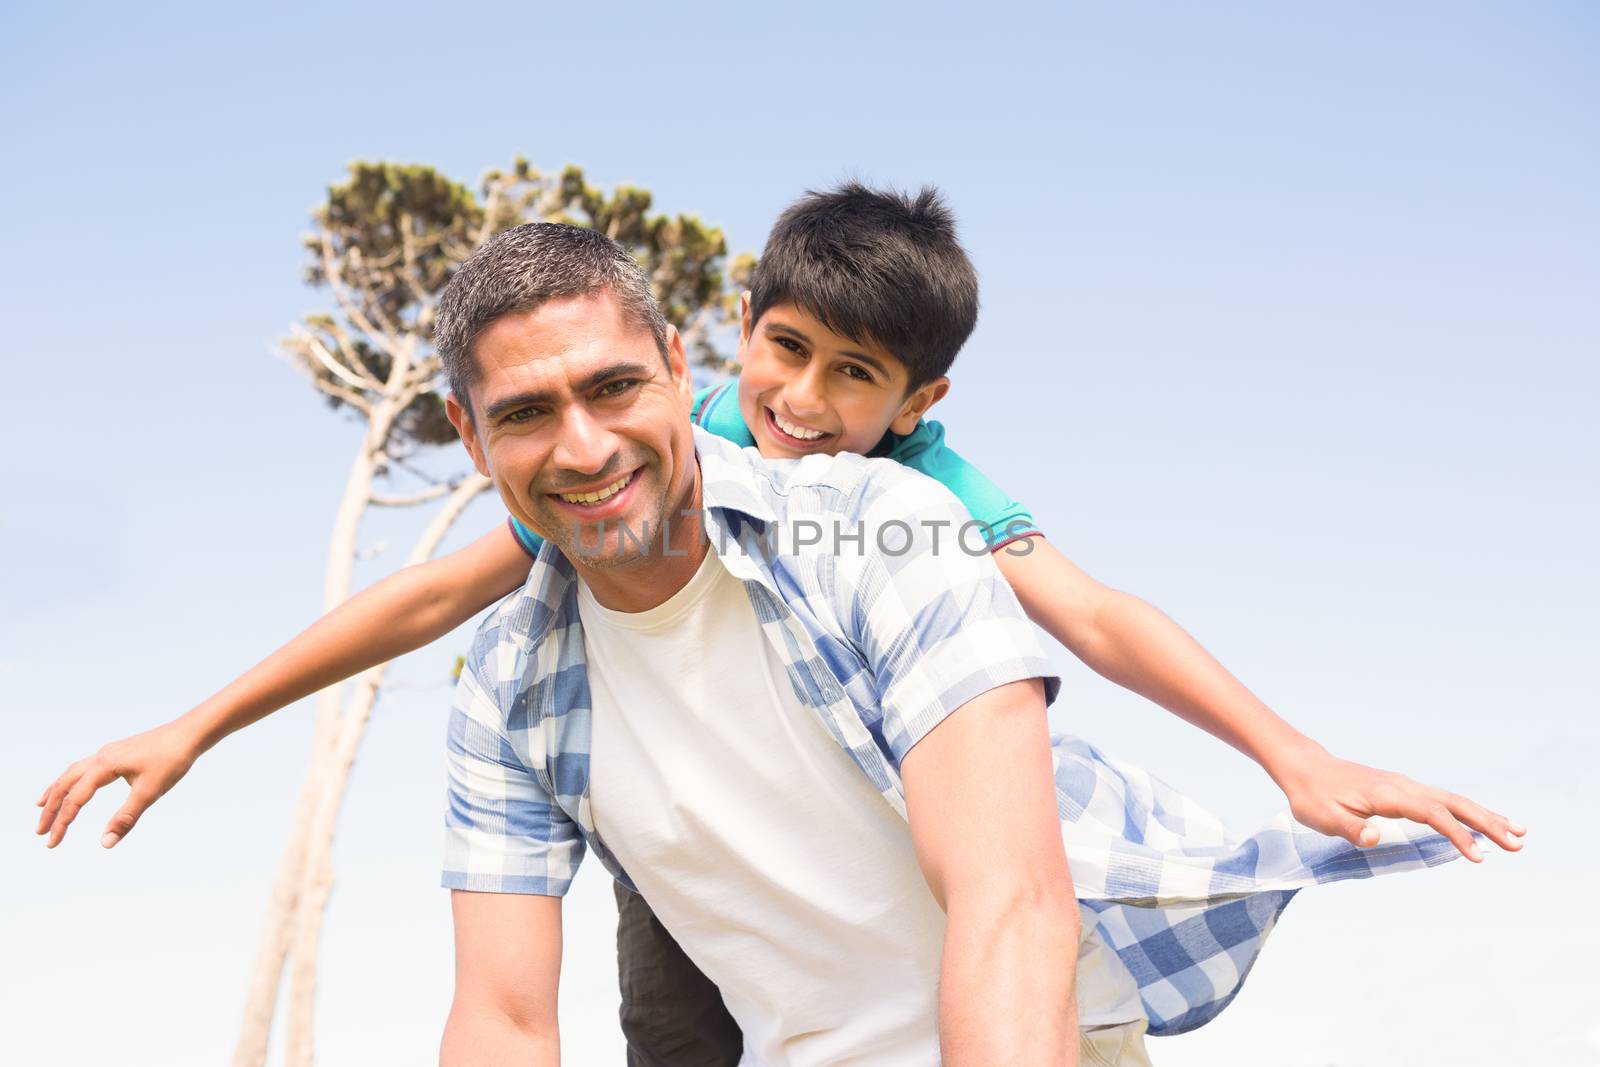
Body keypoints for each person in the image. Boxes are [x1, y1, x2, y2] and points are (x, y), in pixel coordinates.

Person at [37, 189, 1523, 1060]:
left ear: (917, 402)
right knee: (663, 983)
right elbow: (435, 609)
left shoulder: (904, 509)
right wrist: (195, 724)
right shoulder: (523, 661)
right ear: (736, 337)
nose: (808, 408)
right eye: (789, 356)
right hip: (728, 910)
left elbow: (1086, 629)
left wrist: (1289, 751)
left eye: (855, 379)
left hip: (1007, 968)